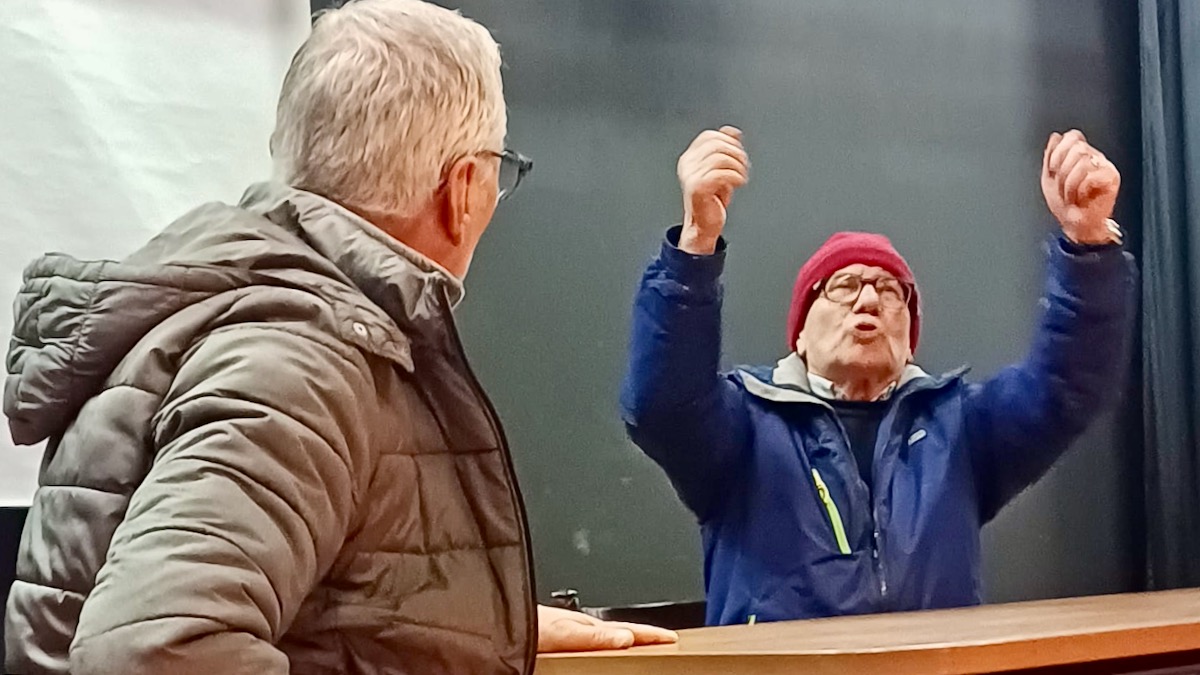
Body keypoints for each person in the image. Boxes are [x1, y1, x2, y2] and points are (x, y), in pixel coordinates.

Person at [3, 2, 674, 673]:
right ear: (464, 187)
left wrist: (463, 630)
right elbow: (152, 653)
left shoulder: (251, 324)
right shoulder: (298, 364)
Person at [621, 125, 1136, 626]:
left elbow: (1068, 385)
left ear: (909, 339)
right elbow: (663, 406)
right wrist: (696, 243)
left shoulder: (959, 429)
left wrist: (1087, 241)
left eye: (890, 292)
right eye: (844, 286)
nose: (869, 299)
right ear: (800, 335)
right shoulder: (745, 426)